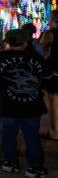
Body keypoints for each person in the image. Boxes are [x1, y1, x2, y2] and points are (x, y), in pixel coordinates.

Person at [0, 29, 49, 178]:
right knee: (32, 136)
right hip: (32, 105)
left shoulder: (2, 56)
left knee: (8, 134)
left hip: (8, 103)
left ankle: (9, 162)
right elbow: (48, 72)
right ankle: (34, 167)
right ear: (25, 43)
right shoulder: (35, 57)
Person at [40, 10, 58, 140]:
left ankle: (55, 131)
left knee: (53, 101)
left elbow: (39, 48)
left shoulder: (50, 34)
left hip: (53, 73)